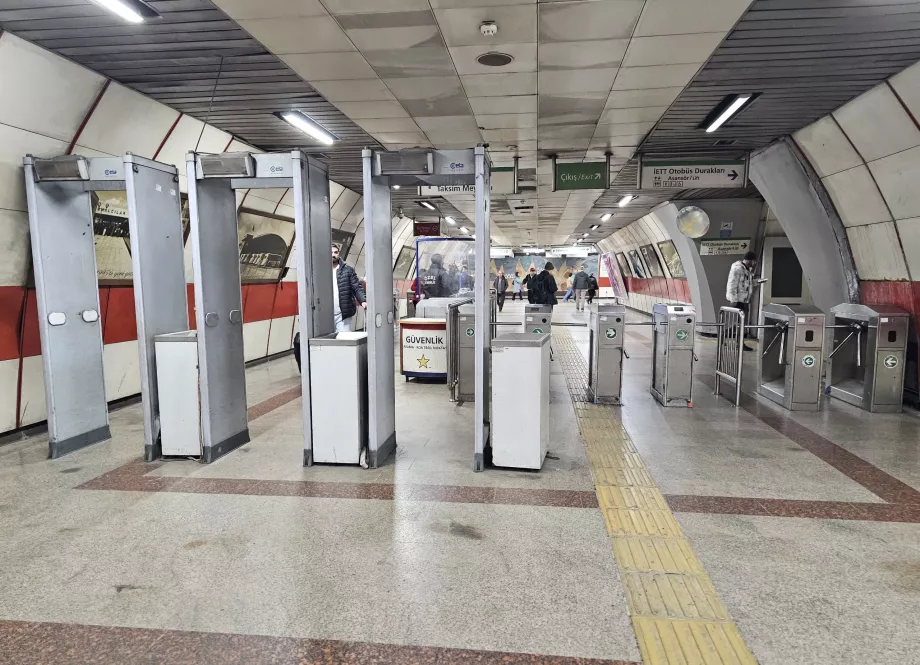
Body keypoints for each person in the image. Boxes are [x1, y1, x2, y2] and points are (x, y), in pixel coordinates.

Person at [726, 250, 763, 351]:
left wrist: (758, 282)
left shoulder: (747, 269)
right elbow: (731, 284)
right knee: (740, 322)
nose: (754, 263)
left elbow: (747, 283)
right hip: (738, 301)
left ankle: (738, 342)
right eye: (753, 261)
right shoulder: (737, 269)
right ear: (749, 260)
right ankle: (736, 341)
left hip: (745, 300)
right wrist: (733, 300)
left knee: (741, 323)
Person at [332, 243, 366, 332]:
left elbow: (357, 287)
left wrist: (363, 301)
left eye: (336, 252)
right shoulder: (320, 271)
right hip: (326, 315)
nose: (333, 255)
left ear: (339, 254)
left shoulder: (348, 270)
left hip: (343, 315)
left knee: (344, 342)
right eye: (331, 252)